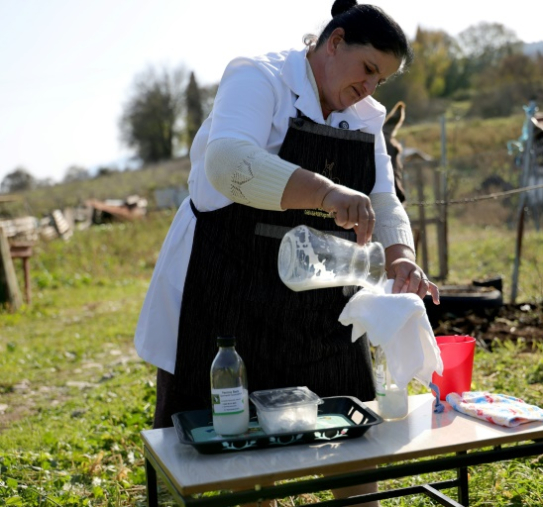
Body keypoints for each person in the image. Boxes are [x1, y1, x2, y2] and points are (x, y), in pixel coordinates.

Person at [135, 1, 438, 501]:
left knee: (352, 429)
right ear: (334, 41)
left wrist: (401, 256)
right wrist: (326, 193)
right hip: (228, 282)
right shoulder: (259, 77)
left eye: (379, 80)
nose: (368, 89)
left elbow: (383, 197)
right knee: (238, 435)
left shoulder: (364, 115)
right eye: (366, 69)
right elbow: (229, 160)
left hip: (318, 295)